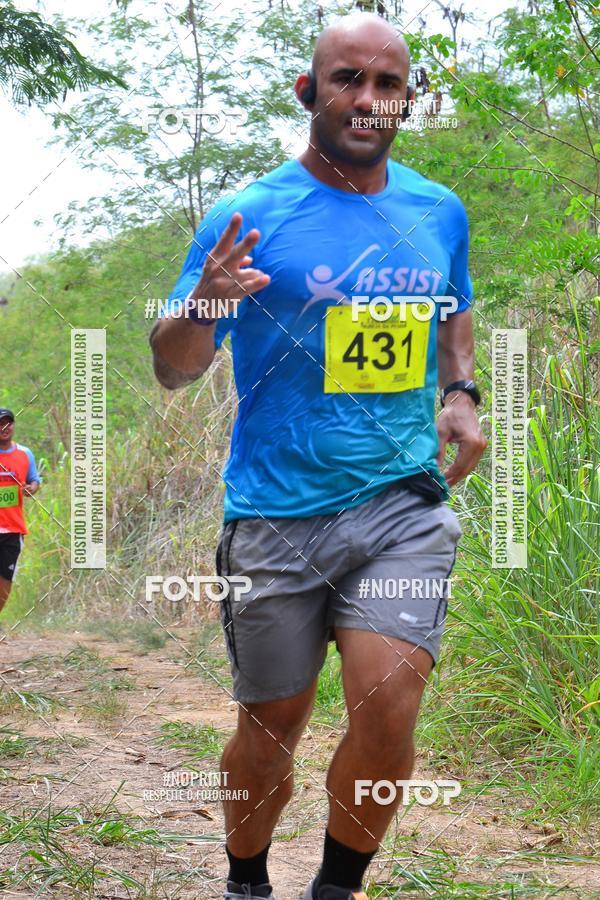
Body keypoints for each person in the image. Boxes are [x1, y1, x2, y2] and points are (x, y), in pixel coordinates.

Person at [150, 12, 486, 900]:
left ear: (408, 101)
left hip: (402, 504)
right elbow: (174, 371)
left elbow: (453, 304)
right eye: (347, 80)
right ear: (309, 91)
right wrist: (208, 305)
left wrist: (461, 396)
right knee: (271, 726)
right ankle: (246, 880)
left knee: (389, 702)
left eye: (387, 85)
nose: (367, 101)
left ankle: (337, 889)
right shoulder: (250, 216)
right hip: (275, 511)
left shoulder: (436, 209)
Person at [0, 408, 41, 614]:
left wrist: (30, 489)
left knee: (5, 579)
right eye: (0, 424)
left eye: (8, 423)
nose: (4, 428)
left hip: (13, 528)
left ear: (13, 426)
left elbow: (34, 481)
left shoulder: (25, 454)